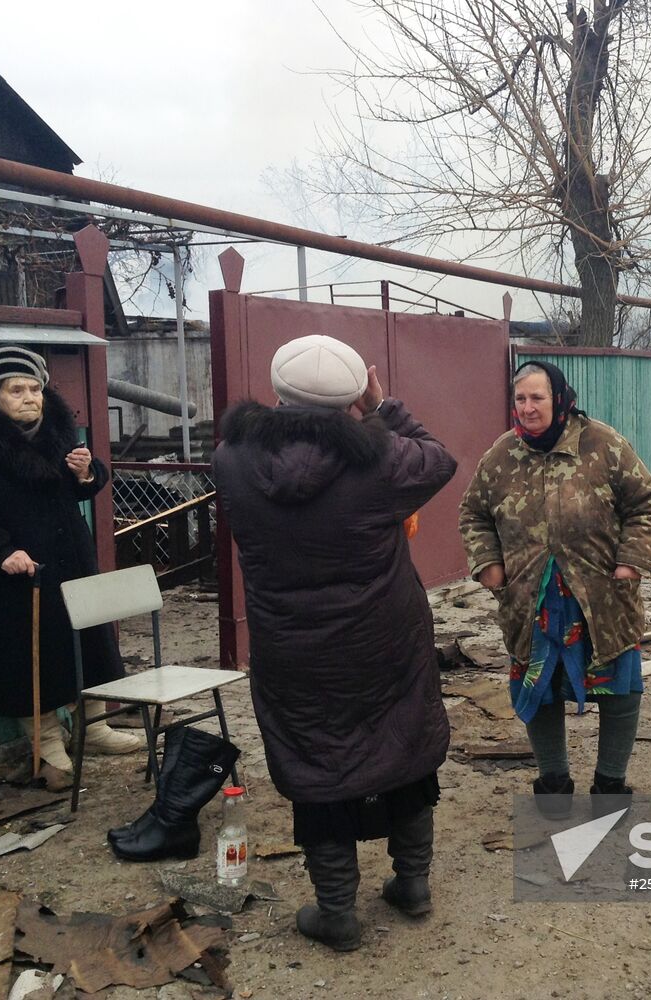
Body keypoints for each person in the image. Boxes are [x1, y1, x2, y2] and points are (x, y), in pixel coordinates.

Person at [212, 334, 457, 952]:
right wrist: (381, 409)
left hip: (292, 649)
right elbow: (438, 458)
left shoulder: (233, 459)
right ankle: (412, 886)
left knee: (314, 757)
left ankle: (337, 912)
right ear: (353, 394)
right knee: (402, 744)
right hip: (385, 641)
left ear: (277, 391)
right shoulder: (381, 461)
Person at [458, 360, 651, 817]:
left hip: (601, 595)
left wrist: (631, 563)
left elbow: (646, 503)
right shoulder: (502, 454)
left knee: (620, 689)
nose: (527, 408)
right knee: (539, 688)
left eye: (537, 398)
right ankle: (553, 783)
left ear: (559, 397)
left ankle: (610, 784)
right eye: (520, 399)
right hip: (530, 597)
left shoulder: (601, 444)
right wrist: (488, 565)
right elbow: (472, 513)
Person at [0, 345, 141, 791]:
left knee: (86, 642)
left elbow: (87, 486)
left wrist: (87, 473)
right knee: (28, 657)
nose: (29, 397)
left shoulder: (59, 434)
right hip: (16, 572)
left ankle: (94, 728)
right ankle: (48, 745)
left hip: (70, 559)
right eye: (16, 389)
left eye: (35, 388)